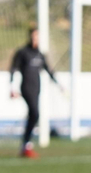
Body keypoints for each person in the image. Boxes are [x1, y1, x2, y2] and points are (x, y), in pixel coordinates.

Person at [8, 27, 58, 158]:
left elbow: (48, 70)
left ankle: (25, 146)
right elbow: (13, 69)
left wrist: (58, 83)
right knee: (35, 114)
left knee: (33, 116)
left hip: (37, 89)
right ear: (30, 36)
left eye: (38, 36)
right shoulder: (23, 52)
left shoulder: (40, 54)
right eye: (34, 36)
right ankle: (26, 145)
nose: (35, 39)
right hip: (26, 88)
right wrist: (12, 88)